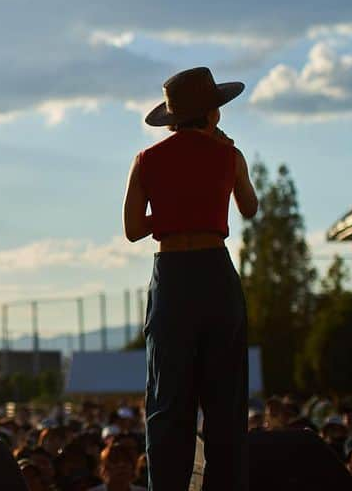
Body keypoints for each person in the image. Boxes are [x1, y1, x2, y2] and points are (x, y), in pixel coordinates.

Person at [123, 66, 258, 491]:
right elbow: (249, 207)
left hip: (172, 278)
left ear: (172, 116)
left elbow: (131, 228)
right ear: (212, 113)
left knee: (167, 400)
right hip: (215, 274)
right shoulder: (229, 155)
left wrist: (170, 212)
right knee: (225, 402)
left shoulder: (147, 160)